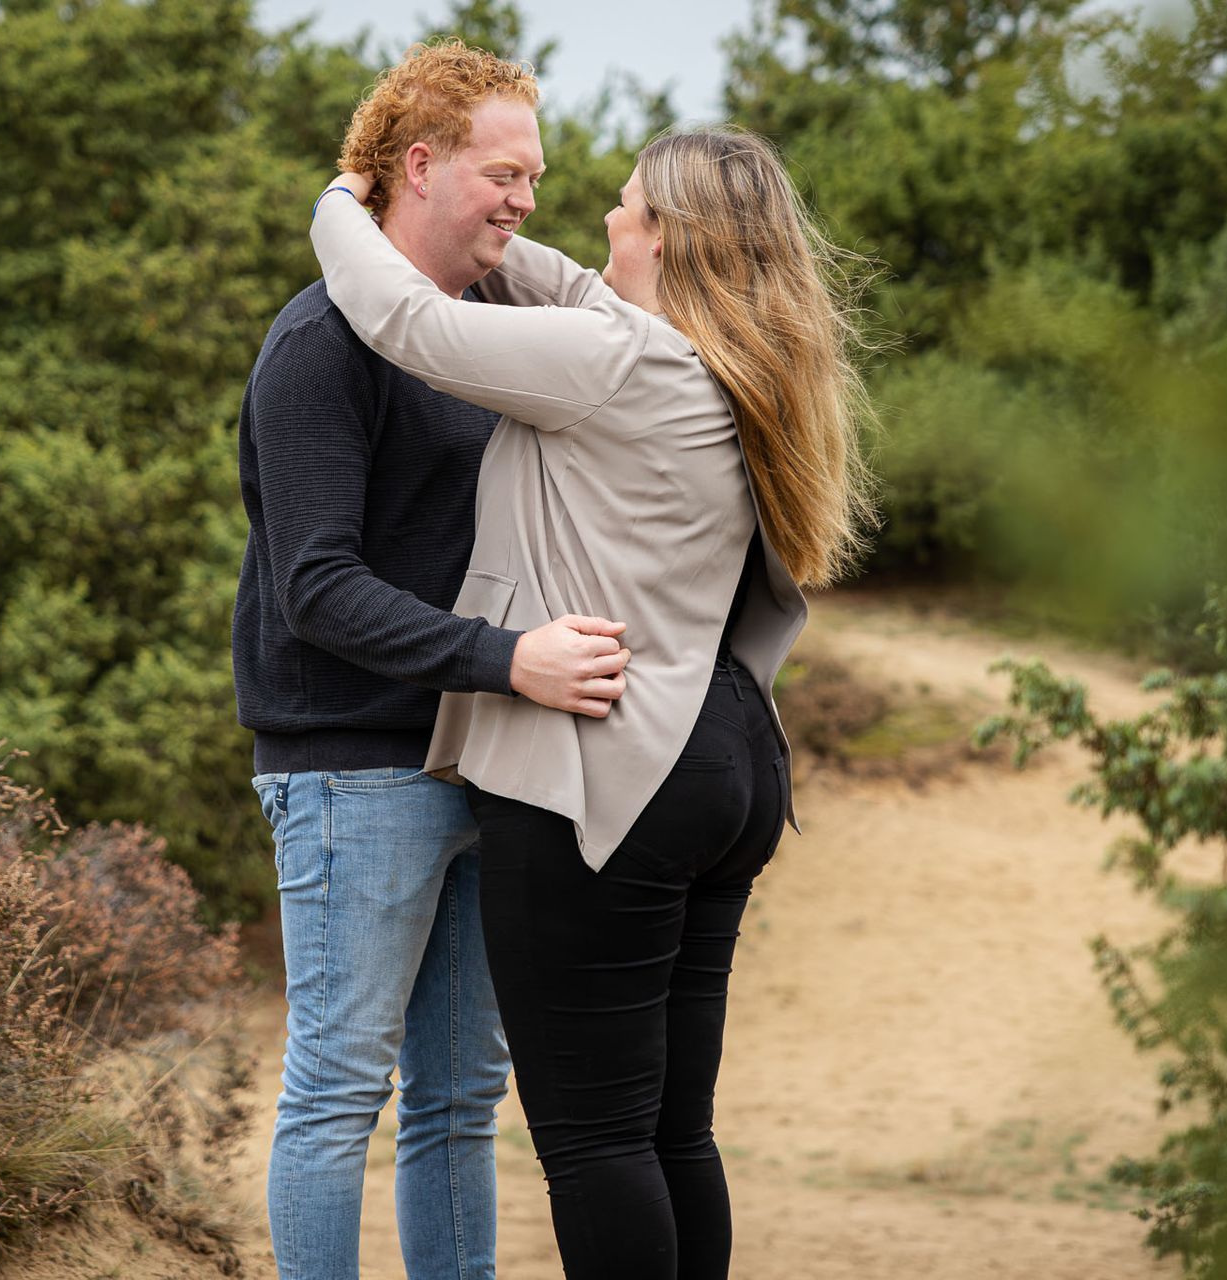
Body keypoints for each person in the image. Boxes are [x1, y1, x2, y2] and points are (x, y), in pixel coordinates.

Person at [309, 124, 875, 1279]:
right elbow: (565, 283)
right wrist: (490, 227)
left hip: (618, 767)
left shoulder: (618, 365)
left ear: (664, 237)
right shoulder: (720, 358)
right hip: (727, 754)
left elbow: (405, 322)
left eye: (622, 205)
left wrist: (340, 199)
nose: (601, 222)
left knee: (596, 1137)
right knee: (673, 1125)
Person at [230, 39, 635, 1280]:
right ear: (419, 164)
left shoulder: (478, 330)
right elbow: (316, 590)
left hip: (478, 762)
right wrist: (511, 660)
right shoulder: (319, 346)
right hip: (353, 770)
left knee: (461, 1096)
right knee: (337, 1095)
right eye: (504, 173)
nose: (525, 199)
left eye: (536, 177)